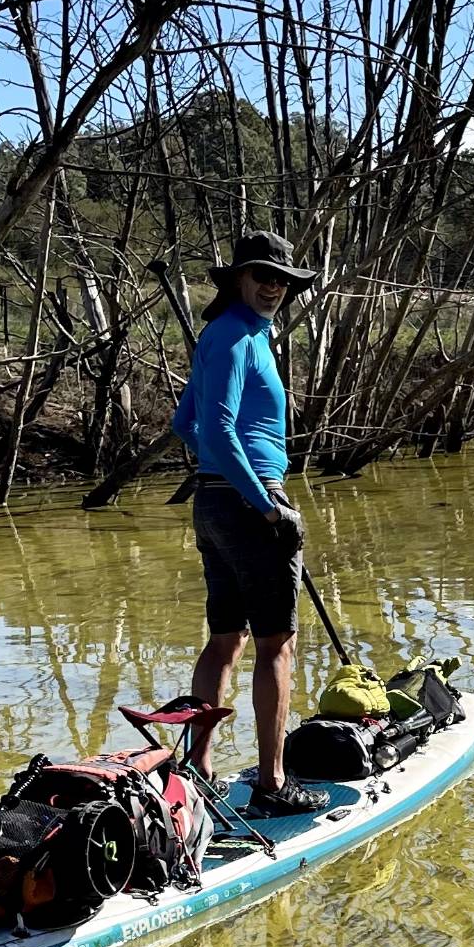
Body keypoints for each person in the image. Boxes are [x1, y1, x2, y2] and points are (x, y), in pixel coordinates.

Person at [171, 230, 330, 816]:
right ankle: (272, 783)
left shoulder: (232, 335)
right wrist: (264, 501)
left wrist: (222, 477)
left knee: (225, 639)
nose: (273, 287)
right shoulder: (238, 337)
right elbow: (211, 428)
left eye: (283, 280)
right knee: (276, 647)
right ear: (239, 279)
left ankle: (198, 770)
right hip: (249, 504)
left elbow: (182, 422)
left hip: (215, 502)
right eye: (262, 275)